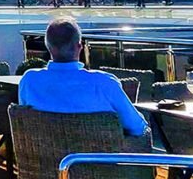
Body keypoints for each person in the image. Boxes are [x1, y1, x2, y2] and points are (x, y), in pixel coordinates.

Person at [19, 17, 147, 136]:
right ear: (79, 47)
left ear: (48, 47)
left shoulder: (29, 81)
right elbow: (137, 128)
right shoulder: (104, 83)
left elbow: (24, 123)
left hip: (42, 157)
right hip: (100, 158)